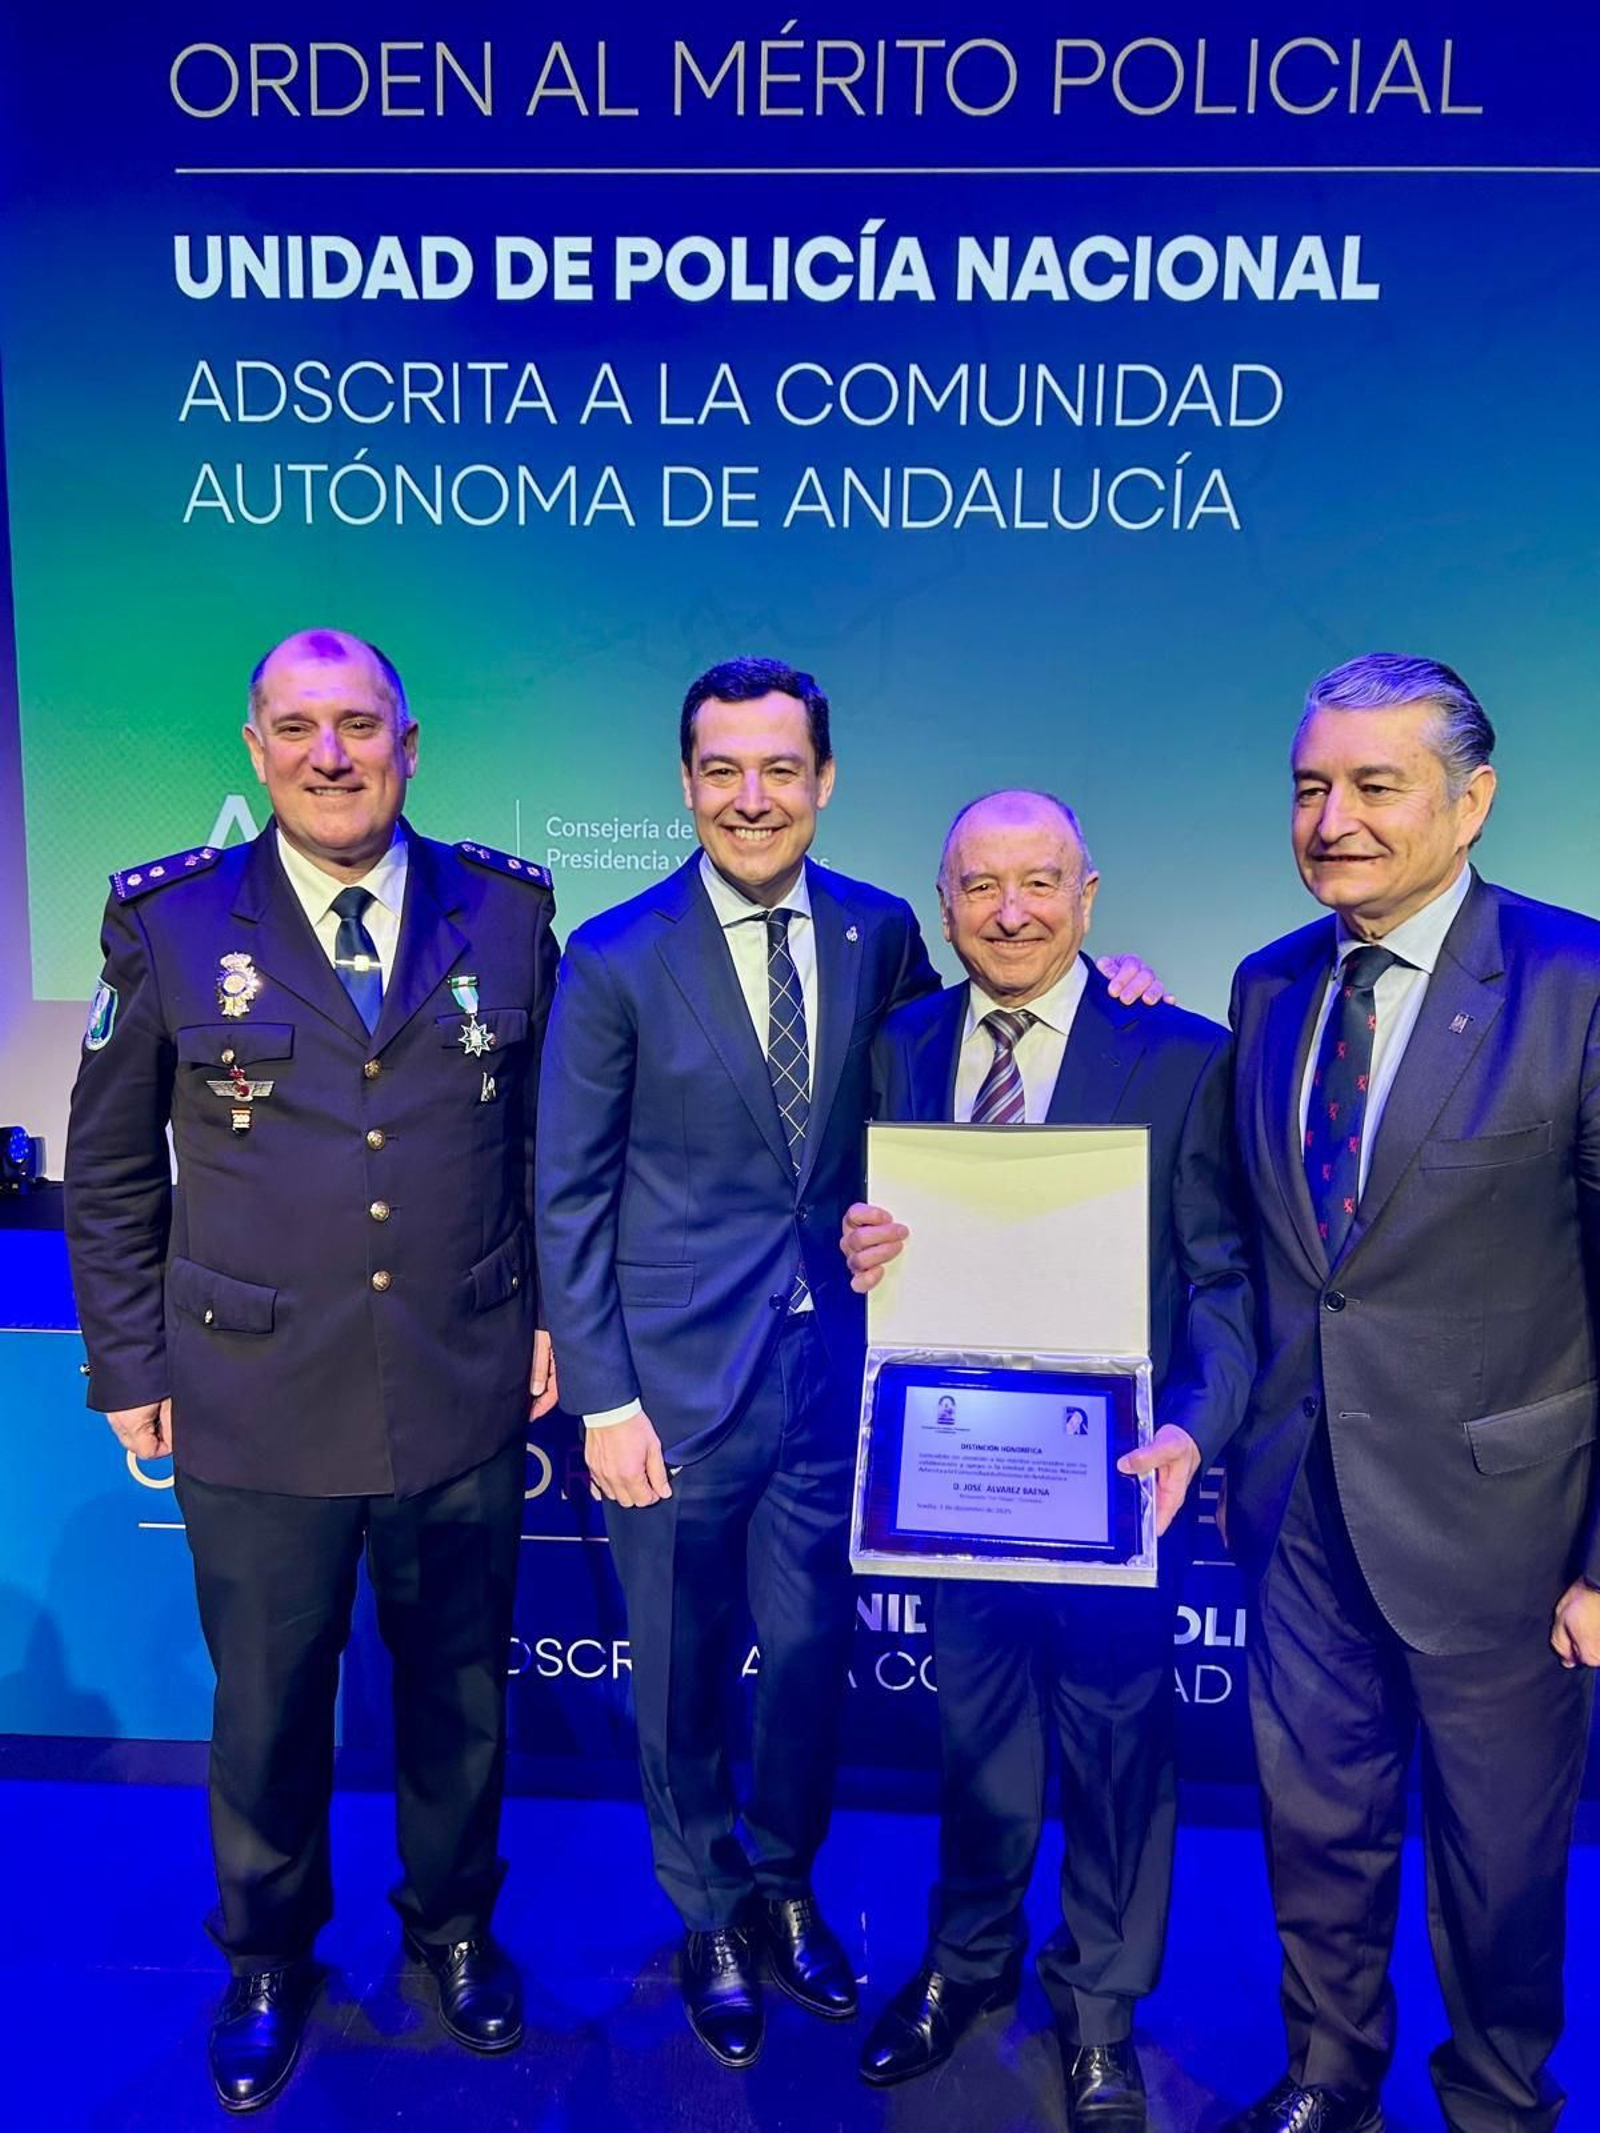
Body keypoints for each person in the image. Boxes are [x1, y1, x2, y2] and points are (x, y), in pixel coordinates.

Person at [535, 658, 1167, 2071]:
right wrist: (607, 1400)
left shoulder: (886, 932)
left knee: (811, 1658)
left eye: (779, 769)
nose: (751, 797)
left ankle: (782, 1877)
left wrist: (1110, 987)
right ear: (688, 784)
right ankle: (705, 1907)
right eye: (721, 770)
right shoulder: (615, 955)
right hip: (672, 1394)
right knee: (683, 1667)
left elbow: (982, 1044)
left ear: (823, 782)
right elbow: (566, 1194)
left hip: (839, 1387)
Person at [64, 629, 560, 2112]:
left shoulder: (511, 912)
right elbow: (105, 1174)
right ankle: (269, 1953)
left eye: (358, 725)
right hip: (251, 1389)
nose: (330, 755)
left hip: (462, 1371)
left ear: (411, 741)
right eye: (297, 727)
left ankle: (456, 1928)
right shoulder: (166, 921)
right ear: (253, 743)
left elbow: (546, 1146)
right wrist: (128, 1362)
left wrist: (549, 1320)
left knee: (459, 1696)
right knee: (270, 1703)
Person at [1220, 654, 1600, 2133]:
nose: (1336, 819)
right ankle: (1330, 2075)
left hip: (1504, 1526)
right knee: (1317, 1829)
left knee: (1502, 1862)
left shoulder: (1573, 985)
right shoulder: (1265, 985)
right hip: (1301, 1506)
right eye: (1314, 787)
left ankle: (1499, 2099)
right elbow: (1252, 1248)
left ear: (1473, 800)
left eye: (1377, 786)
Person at [841, 789, 1254, 2129]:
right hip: (952, 1480)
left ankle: (1098, 2012)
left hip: (1122, 1483)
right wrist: (861, 1255)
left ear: (1089, 896)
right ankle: (966, 1966)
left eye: (1040, 882)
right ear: (945, 899)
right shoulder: (900, 1042)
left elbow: (1223, 1278)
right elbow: (865, 1230)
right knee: (976, 1740)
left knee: (1124, 1752)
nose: (1010, 911)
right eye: (980, 885)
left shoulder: (1179, 1052)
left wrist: (1199, 1421)